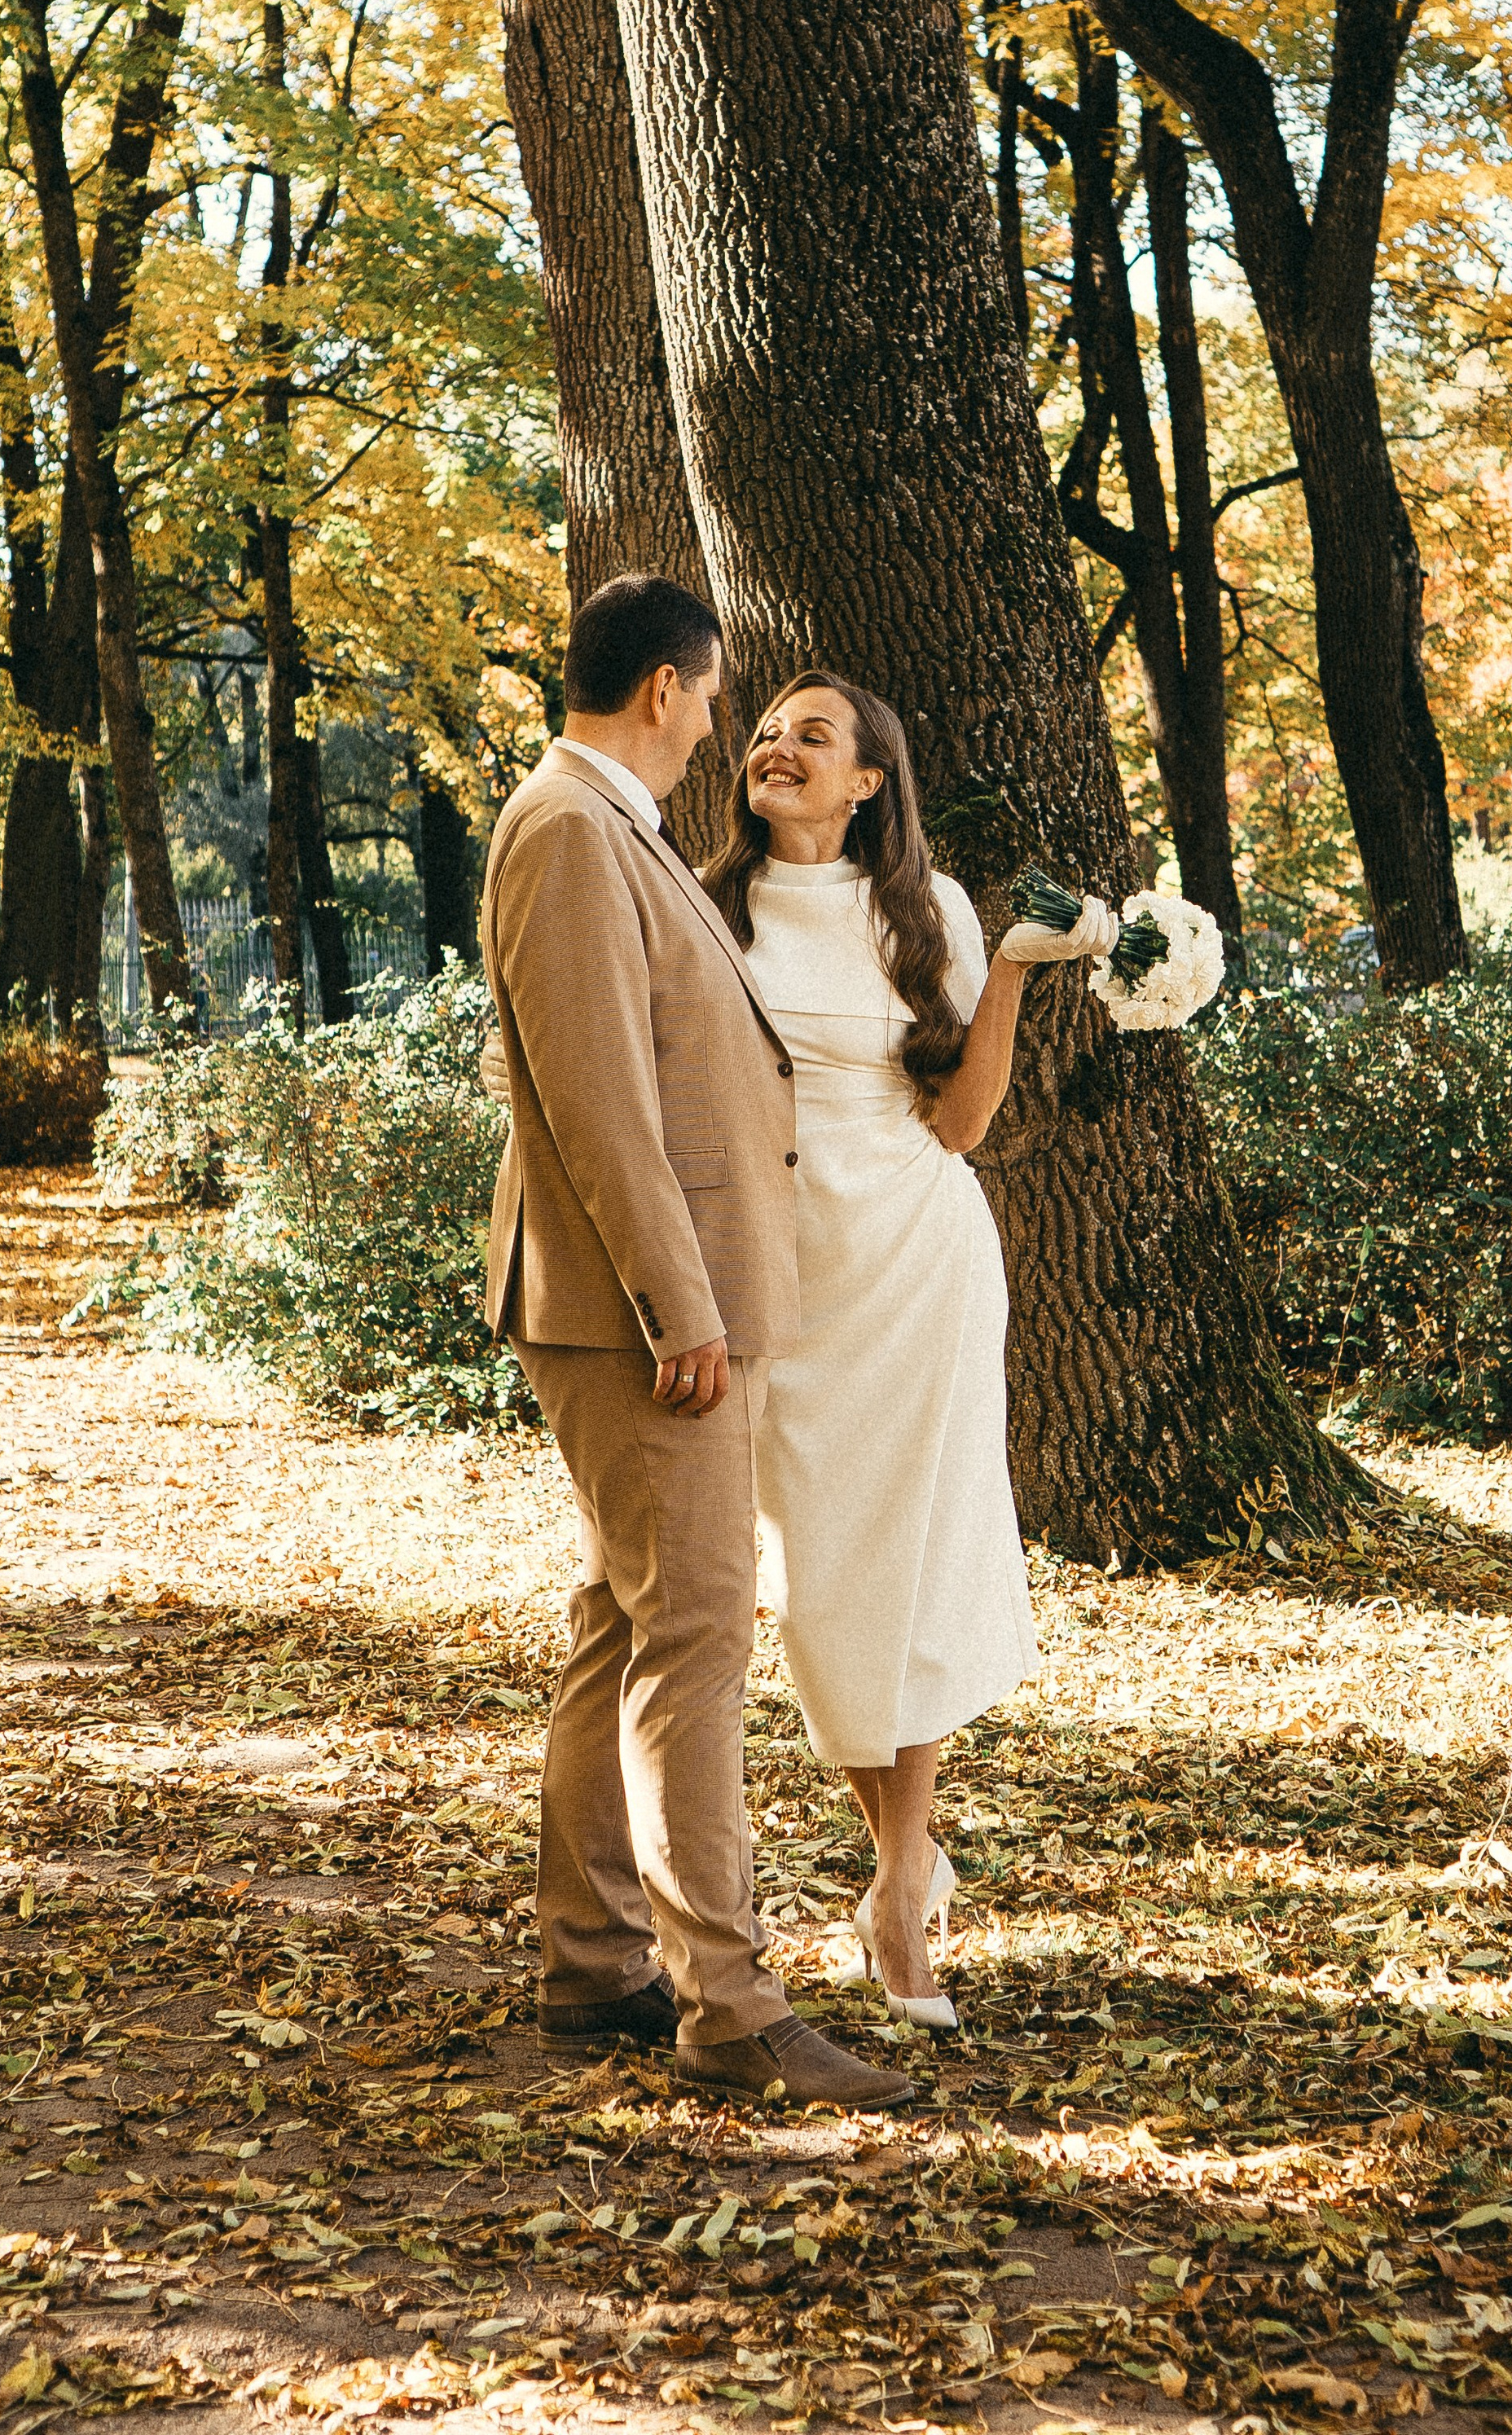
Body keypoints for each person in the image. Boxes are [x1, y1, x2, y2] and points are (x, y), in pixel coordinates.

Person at [479, 580, 911, 2109]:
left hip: (654, 1310)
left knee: (628, 1620)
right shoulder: (569, 832)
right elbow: (600, 1102)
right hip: (640, 1320)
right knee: (700, 1642)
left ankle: (594, 1961)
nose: (724, 720)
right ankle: (726, 2005)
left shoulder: (610, 829)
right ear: (666, 687)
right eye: (718, 692)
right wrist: (683, 1310)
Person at [700, 672, 1114, 2027]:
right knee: (821, 1583)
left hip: (919, 1263)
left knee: (914, 1563)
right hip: (783, 1281)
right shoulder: (705, 902)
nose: (777, 744)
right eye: (767, 729)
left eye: (812, 736)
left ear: (869, 780)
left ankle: (893, 1888)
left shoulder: (918, 910)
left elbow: (963, 1123)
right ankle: (908, 1862)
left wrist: (1004, 969)